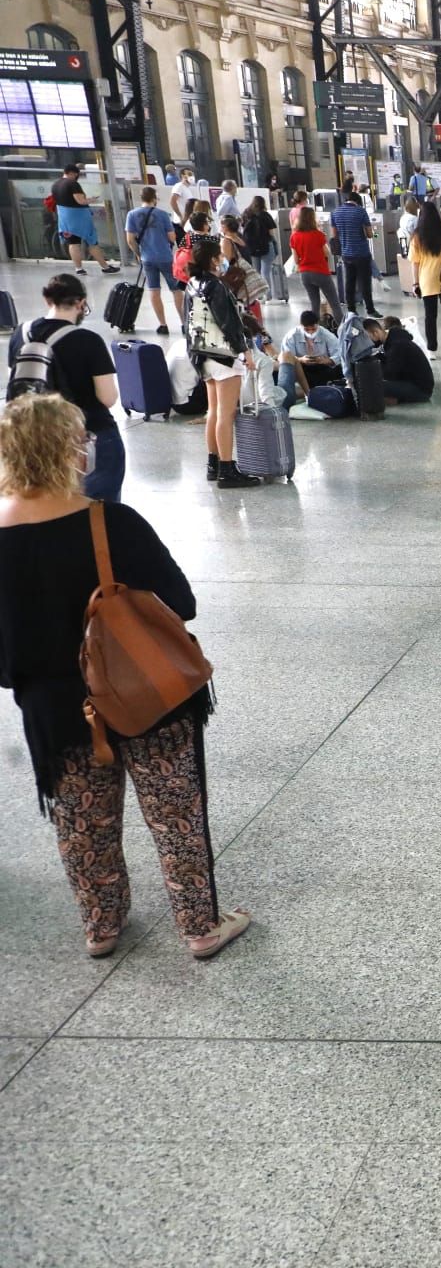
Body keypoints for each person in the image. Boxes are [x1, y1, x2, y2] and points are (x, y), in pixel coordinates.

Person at [0, 391, 252, 959]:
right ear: (68, 448)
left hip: (53, 710)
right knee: (175, 814)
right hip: (146, 696)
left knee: (81, 822)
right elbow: (180, 603)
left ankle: (101, 925)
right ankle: (198, 926)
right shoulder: (109, 523)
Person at [5, 275, 124, 503]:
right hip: (87, 436)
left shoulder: (21, 334)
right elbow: (107, 398)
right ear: (81, 303)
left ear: (47, 300)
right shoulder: (88, 340)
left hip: (34, 438)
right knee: (99, 512)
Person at [183, 239, 260, 489]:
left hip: (202, 353)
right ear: (214, 259)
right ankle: (227, 468)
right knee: (226, 413)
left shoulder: (191, 284)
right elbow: (229, 322)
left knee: (213, 411)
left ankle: (213, 464)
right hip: (223, 355)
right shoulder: (216, 286)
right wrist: (245, 350)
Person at [120, 186, 184, 335]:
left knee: (154, 291)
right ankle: (183, 323)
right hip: (166, 257)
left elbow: (130, 240)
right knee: (176, 290)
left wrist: (138, 253)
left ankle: (163, 325)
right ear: (154, 198)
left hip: (147, 258)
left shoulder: (132, 214)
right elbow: (172, 237)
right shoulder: (162, 214)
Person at [408, 203, 441, 362]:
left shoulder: (417, 236)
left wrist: (415, 283)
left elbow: (415, 263)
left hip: (427, 280)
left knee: (430, 316)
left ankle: (432, 350)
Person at [49, 165, 120, 275]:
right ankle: (105, 267)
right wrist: (92, 199)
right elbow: (80, 201)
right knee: (92, 242)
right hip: (79, 217)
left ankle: (79, 268)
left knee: (73, 243)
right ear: (74, 173)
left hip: (64, 217)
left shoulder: (55, 184)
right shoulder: (73, 184)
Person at [288, 206, 343, 323]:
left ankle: (314, 329)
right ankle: (343, 330)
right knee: (334, 303)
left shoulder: (294, 237)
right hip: (321, 272)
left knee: (314, 304)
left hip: (305, 274)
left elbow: (296, 260)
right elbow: (327, 252)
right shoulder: (318, 235)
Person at [275, 311, 345, 398]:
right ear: (301, 325)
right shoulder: (291, 336)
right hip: (301, 369)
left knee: (339, 371)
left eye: (313, 329)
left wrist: (328, 360)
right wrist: (300, 360)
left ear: (318, 325)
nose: (310, 332)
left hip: (322, 368)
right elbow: (286, 357)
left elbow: (340, 354)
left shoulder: (327, 335)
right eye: (307, 329)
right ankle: (306, 392)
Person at [330, 190, 376, 316]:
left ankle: (351, 309)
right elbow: (370, 234)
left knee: (349, 281)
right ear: (358, 201)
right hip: (362, 253)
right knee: (365, 282)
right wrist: (372, 233)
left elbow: (335, 235)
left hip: (346, 253)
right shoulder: (361, 211)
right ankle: (370, 309)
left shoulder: (335, 212)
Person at [371, 317, 433, 403]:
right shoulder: (396, 340)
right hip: (418, 384)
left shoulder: (397, 345)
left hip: (421, 391)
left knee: (372, 385)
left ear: (376, 333)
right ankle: (397, 399)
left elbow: (390, 375)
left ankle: (398, 400)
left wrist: (374, 365)